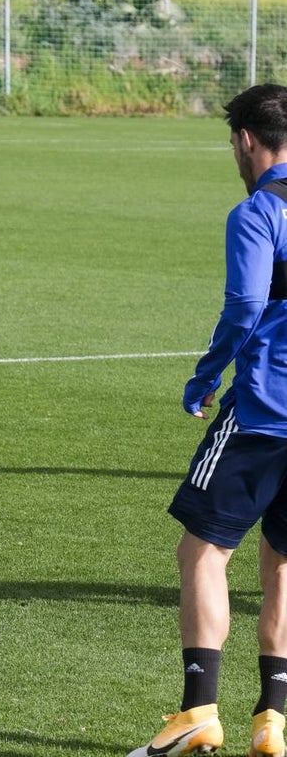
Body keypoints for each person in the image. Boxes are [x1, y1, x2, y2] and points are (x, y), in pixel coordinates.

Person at [128, 83, 287, 757]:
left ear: (246, 140)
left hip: (262, 411)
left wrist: (206, 372)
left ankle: (198, 708)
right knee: (282, 559)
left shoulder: (257, 212)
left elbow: (246, 303)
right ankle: (273, 720)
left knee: (202, 550)